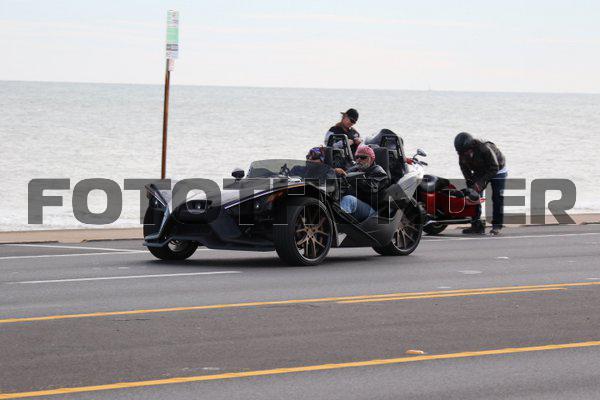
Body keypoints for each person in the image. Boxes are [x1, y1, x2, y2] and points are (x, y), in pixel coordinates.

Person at [454, 132, 507, 235]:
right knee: (473, 195)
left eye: (466, 151)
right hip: (480, 171)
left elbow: (494, 168)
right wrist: (471, 187)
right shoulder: (462, 155)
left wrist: (481, 183)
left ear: (472, 147)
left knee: (497, 197)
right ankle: (476, 225)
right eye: (460, 153)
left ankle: (497, 226)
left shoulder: (484, 149)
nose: (464, 155)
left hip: (497, 168)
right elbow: (466, 173)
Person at [338, 145, 389, 221]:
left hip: (372, 211)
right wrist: (336, 174)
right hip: (356, 205)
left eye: (363, 157)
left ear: (371, 159)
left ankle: (338, 225)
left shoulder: (379, 172)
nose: (359, 160)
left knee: (348, 200)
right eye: (357, 157)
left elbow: (371, 188)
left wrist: (353, 179)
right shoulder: (355, 169)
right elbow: (343, 178)